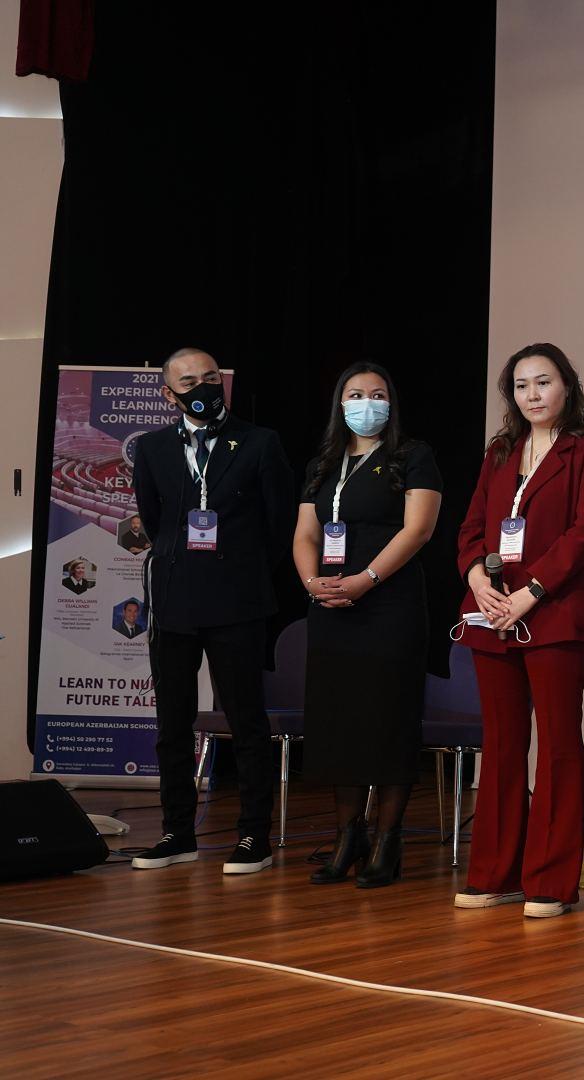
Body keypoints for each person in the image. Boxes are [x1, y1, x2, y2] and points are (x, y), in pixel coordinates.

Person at [453, 343, 584, 918]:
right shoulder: (501, 452)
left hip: (555, 612)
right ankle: (494, 875)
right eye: (521, 386)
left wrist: (531, 593)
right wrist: (477, 579)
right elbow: (472, 527)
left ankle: (550, 880)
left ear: (566, 386)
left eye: (543, 382)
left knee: (557, 745)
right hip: (492, 613)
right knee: (500, 747)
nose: (532, 395)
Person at [130, 347, 296, 874]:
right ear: (168, 394)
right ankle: (177, 833)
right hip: (174, 600)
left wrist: (242, 569)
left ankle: (253, 837)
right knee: (171, 723)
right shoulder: (153, 448)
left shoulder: (259, 442)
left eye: (210, 378)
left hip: (237, 600)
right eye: (189, 382)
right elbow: (154, 519)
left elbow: (279, 525)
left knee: (246, 721)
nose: (202, 388)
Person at [293, 362, 442, 887]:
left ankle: (387, 841)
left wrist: (366, 579)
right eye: (355, 394)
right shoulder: (323, 464)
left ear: (391, 403)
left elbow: (418, 530)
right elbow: (305, 533)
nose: (366, 403)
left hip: (389, 605)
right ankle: (346, 838)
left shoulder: (412, 456)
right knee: (341, 722)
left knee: (387, 719)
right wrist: (312, 582)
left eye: (377, 394)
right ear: (340, 403)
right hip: (331, 606)